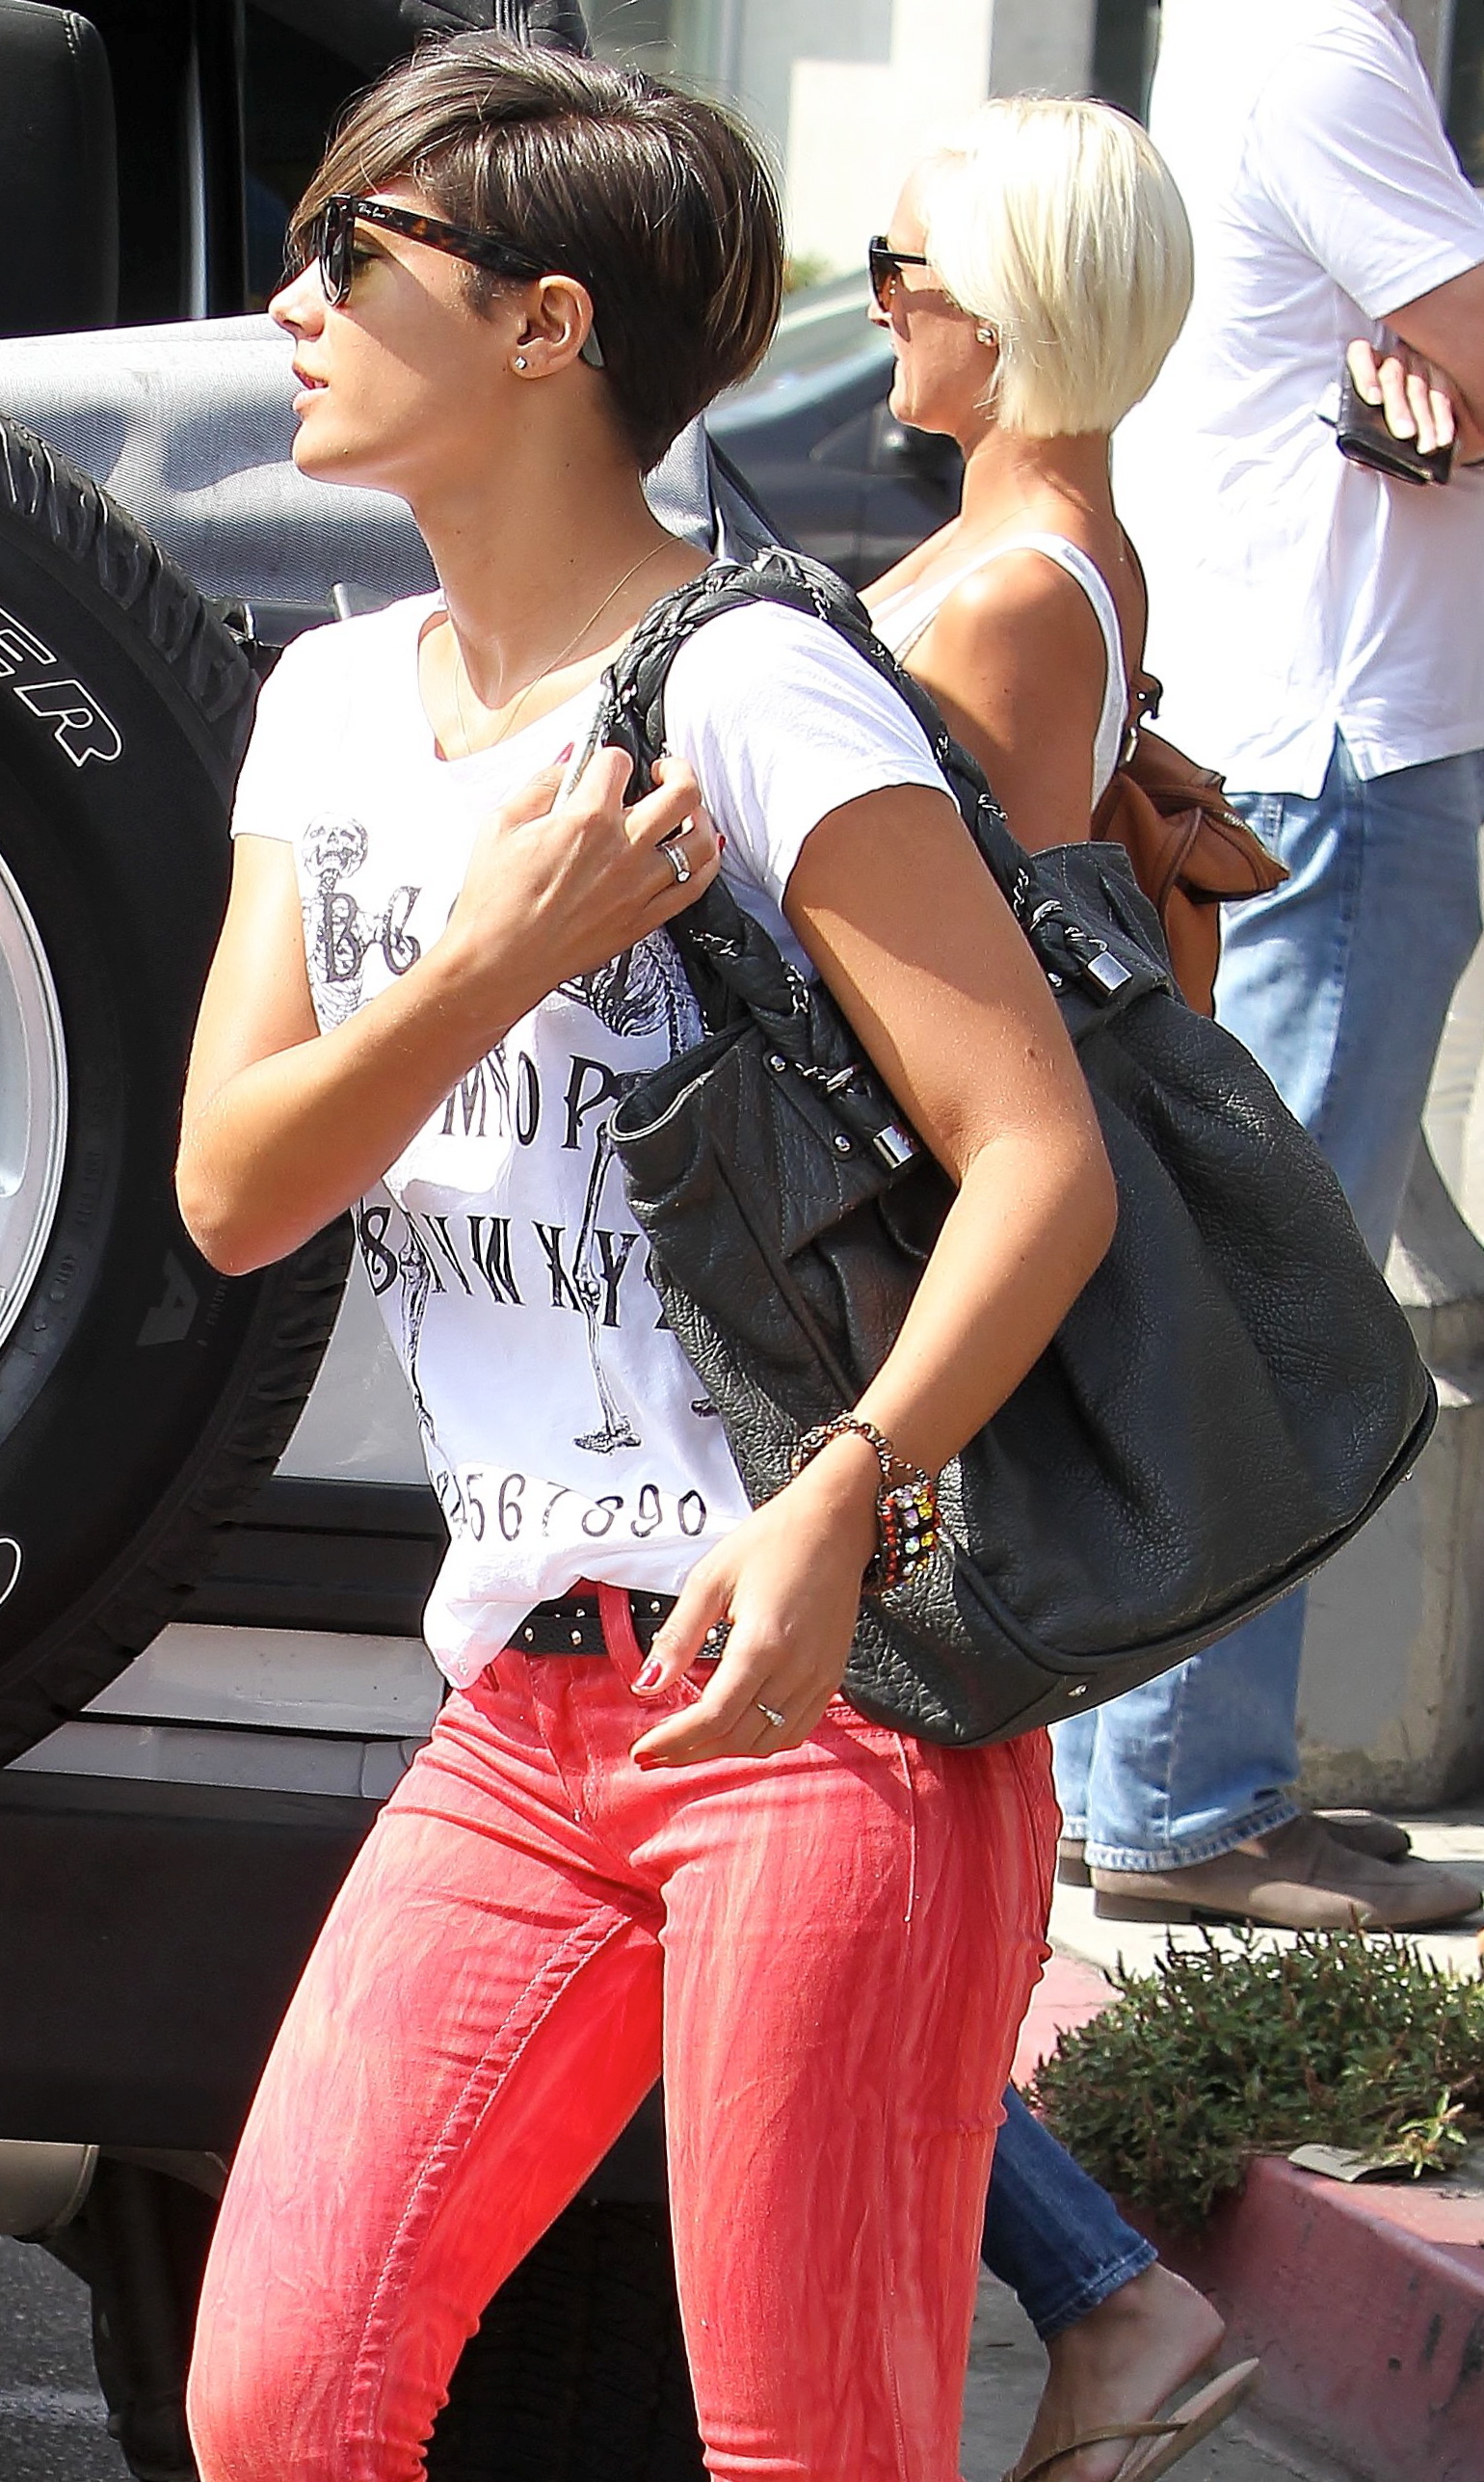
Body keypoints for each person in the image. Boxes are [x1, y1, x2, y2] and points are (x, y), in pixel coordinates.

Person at [173, 36, 1119, 2482]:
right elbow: (237, 1186)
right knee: (281, 2397)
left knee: (809, 2448)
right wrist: (490, 961)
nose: (287, 304)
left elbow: (1038, 1159)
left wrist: (845, 1494)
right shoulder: (325, 710)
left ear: (543, 325)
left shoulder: (753, 683)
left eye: (348, 252)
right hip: (518, 1702)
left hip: (828, 1693)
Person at [861, 97, 1255, 2482]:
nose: (876, 306)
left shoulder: (1016, 589)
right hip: (931, 1302)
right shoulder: (1044, 549)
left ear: (1004, 303)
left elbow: (976, 1018)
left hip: (921, 1309)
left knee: (836, 1849)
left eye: (899, 267)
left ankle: (1106, 2298)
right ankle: (1088, 2302)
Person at [1087, 0, 1484, 1932]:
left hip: (1292, 739)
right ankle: (1184, 1797)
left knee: (1231, 1275)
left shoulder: (1263, 33)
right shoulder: (1325, 43)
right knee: (1277, 1291)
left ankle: (1142, 1776)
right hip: (1337, 753)